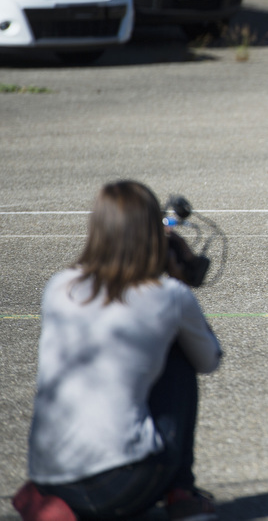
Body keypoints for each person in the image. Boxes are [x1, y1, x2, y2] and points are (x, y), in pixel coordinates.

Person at [17, 180, 222, 521]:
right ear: (152, 236)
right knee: (179, 351)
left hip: (50, 479)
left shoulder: (58, 286)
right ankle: (181, 494)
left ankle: (60, 504)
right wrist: (179, 280)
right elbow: (209, 360)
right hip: (124, 483)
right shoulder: (169, 295)